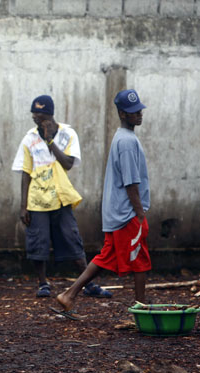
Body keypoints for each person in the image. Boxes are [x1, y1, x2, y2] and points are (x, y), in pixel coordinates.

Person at [56, 89, 151, 314]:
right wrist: (140, 215)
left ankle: (68, 295)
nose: (138, 114)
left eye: (139, 110)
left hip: (118, 211)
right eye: (132, 111)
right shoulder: (127, 142)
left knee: (107, 256)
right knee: (140, 261)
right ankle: (140, 311)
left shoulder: (123, 137)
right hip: (127, 213)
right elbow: (131, 182)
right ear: (122, 113)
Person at [12, 95, 111, 298]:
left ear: (50, 116)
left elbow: (67, 163)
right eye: (34, 117)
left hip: (61, 197)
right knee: (38, 243)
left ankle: (89, 284)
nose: (36, 121)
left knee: (72, 239)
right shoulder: (29, 138)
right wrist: (23, 207)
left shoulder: (68, 134)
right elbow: (25, 172)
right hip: (38, 200)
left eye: (40, 117)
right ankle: (43, 283)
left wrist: (50, 141)